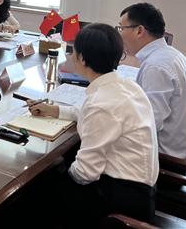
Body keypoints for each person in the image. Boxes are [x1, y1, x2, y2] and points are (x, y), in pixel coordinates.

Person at [30, 23, 158, 226]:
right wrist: (52, 109)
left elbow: (85, 173)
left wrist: (60, 171)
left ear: (82, 58)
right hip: (140, 192)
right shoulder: (125, 86)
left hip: (121, 202)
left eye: (74, 51)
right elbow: (86, 112)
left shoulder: (102, 103)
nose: (71, 56)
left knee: (36, 189)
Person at [118, 2, 186, 159]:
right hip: (176, 148)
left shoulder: (156, 66)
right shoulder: (171, 54)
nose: (119, 35)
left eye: (121, 28)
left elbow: (147, 125)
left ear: (139, 31)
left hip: (163, 158)